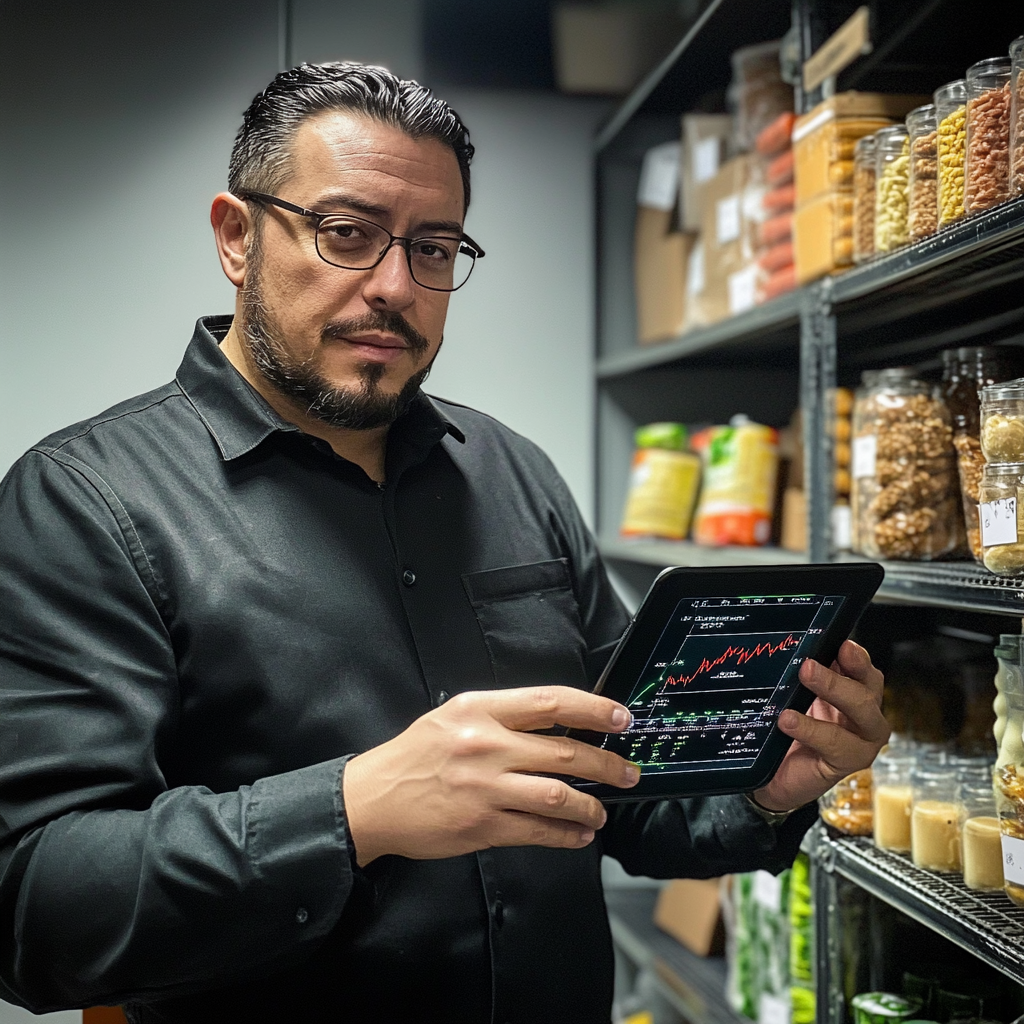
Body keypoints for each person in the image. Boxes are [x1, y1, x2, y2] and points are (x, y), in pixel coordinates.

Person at [0, 62, 888, 1023]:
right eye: (347, 234)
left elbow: (625, 787)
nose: (395, 286)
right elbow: (35, 907)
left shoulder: (514, 471)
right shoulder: (85, 500)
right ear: (236, 237)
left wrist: (764, 784)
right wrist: (353, 811)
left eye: (433, 248)